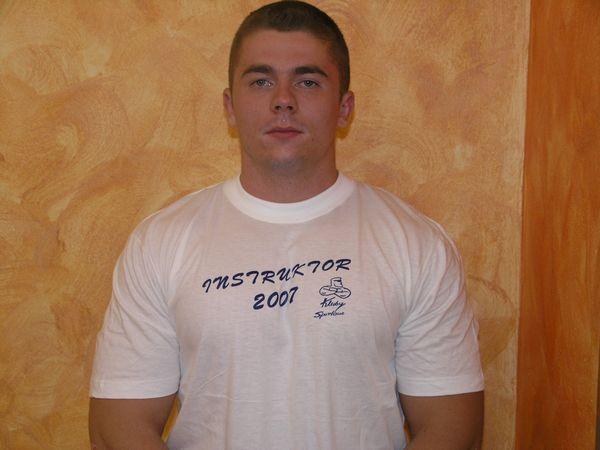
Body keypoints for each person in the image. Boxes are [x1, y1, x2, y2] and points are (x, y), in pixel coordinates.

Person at [89, 1, 484, 449]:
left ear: (344, 108)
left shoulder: (417, 245)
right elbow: (118, 427)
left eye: (307, 81)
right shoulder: (160, 243)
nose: (283, 100)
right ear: (230, 107)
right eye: (260, 81)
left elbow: (454, 429)